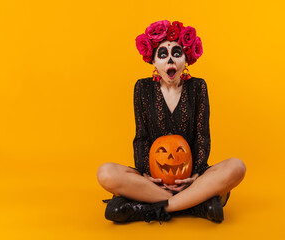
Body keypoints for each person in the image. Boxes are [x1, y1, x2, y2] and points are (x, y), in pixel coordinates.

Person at [96, 20, 246, 223]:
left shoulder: (198, 87)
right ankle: (197, 205)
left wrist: (195, 174)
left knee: (237, 167)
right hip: (153, 180)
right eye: (163, 54)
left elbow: (202, 136)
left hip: (191, 178)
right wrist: (148, 175)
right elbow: (141, 137)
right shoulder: (142, 88)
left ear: (186, 59)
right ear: (153, 61)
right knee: (106, 173)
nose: (170, 61)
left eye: (176, 53)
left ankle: (154, 207)